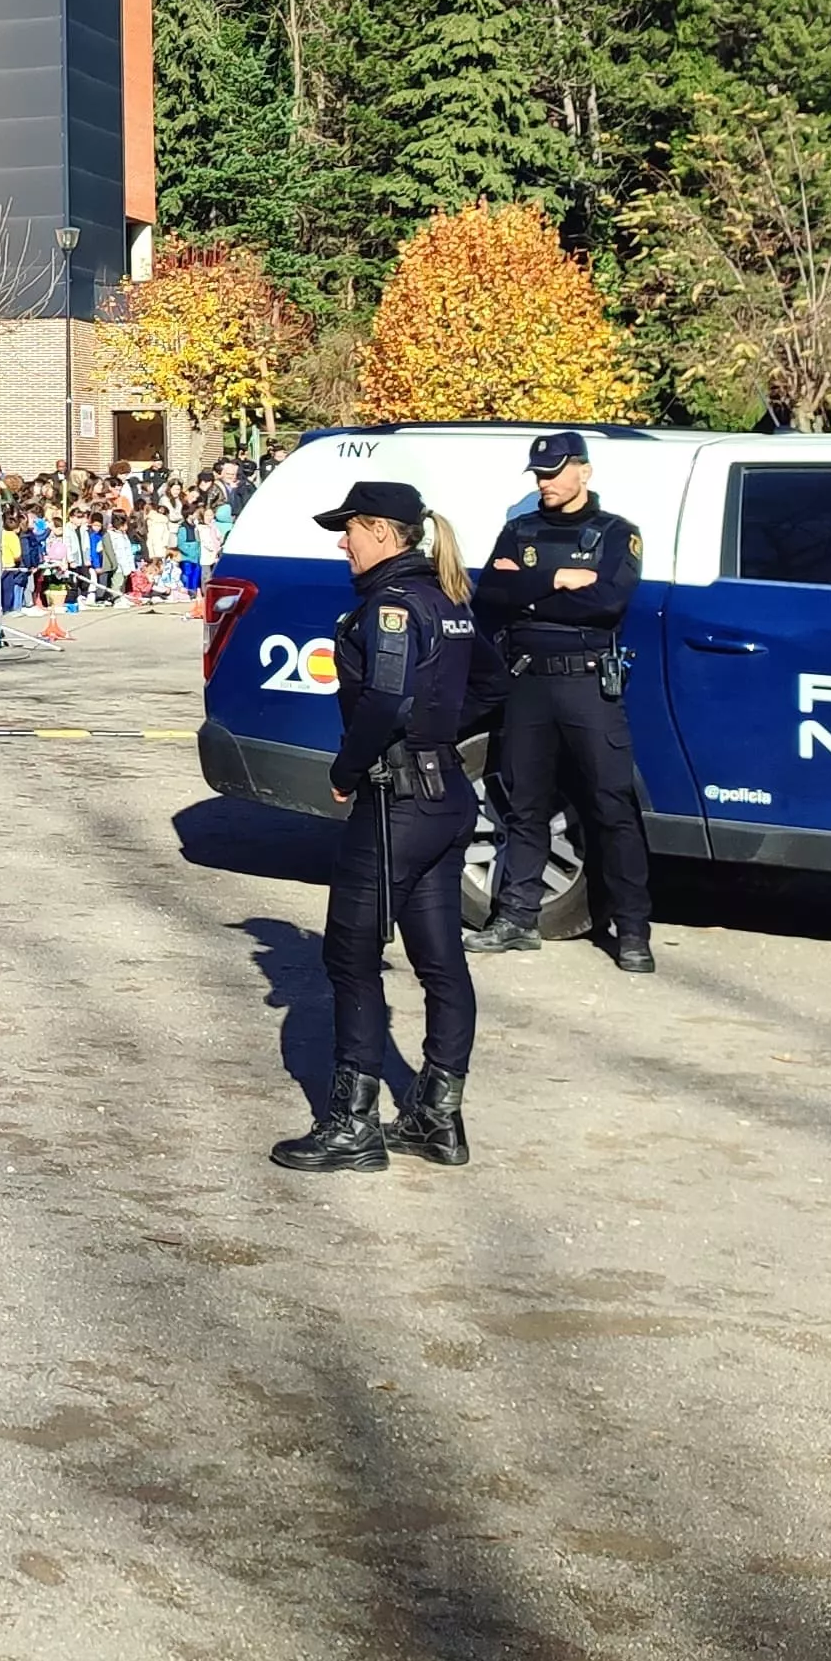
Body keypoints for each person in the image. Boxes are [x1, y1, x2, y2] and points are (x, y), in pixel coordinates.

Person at [272, 480, 481, 1174]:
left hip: (399, 801)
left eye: (350, 530)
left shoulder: (390, 606)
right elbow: (493, 690)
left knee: (350, 957)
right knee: (440, 960)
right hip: (447, 790)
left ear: (385, 536)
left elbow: (386, 698)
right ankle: (437, 1118)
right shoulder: (448, 598)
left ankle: (353, 1125)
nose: (342, 542)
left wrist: (348, 767)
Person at [468, 431, 656, 974]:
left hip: (587, 683)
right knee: (524, 803)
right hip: (528, 683)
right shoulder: (520, 529)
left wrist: (528, 587)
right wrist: (557, 578)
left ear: (584, 473)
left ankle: (633, 929)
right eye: (539, 475)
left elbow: (606, 603)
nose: (545, 483)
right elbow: (490, 599)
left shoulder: (616, 535)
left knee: (611, 805)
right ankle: (517, 917)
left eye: (554, 473)